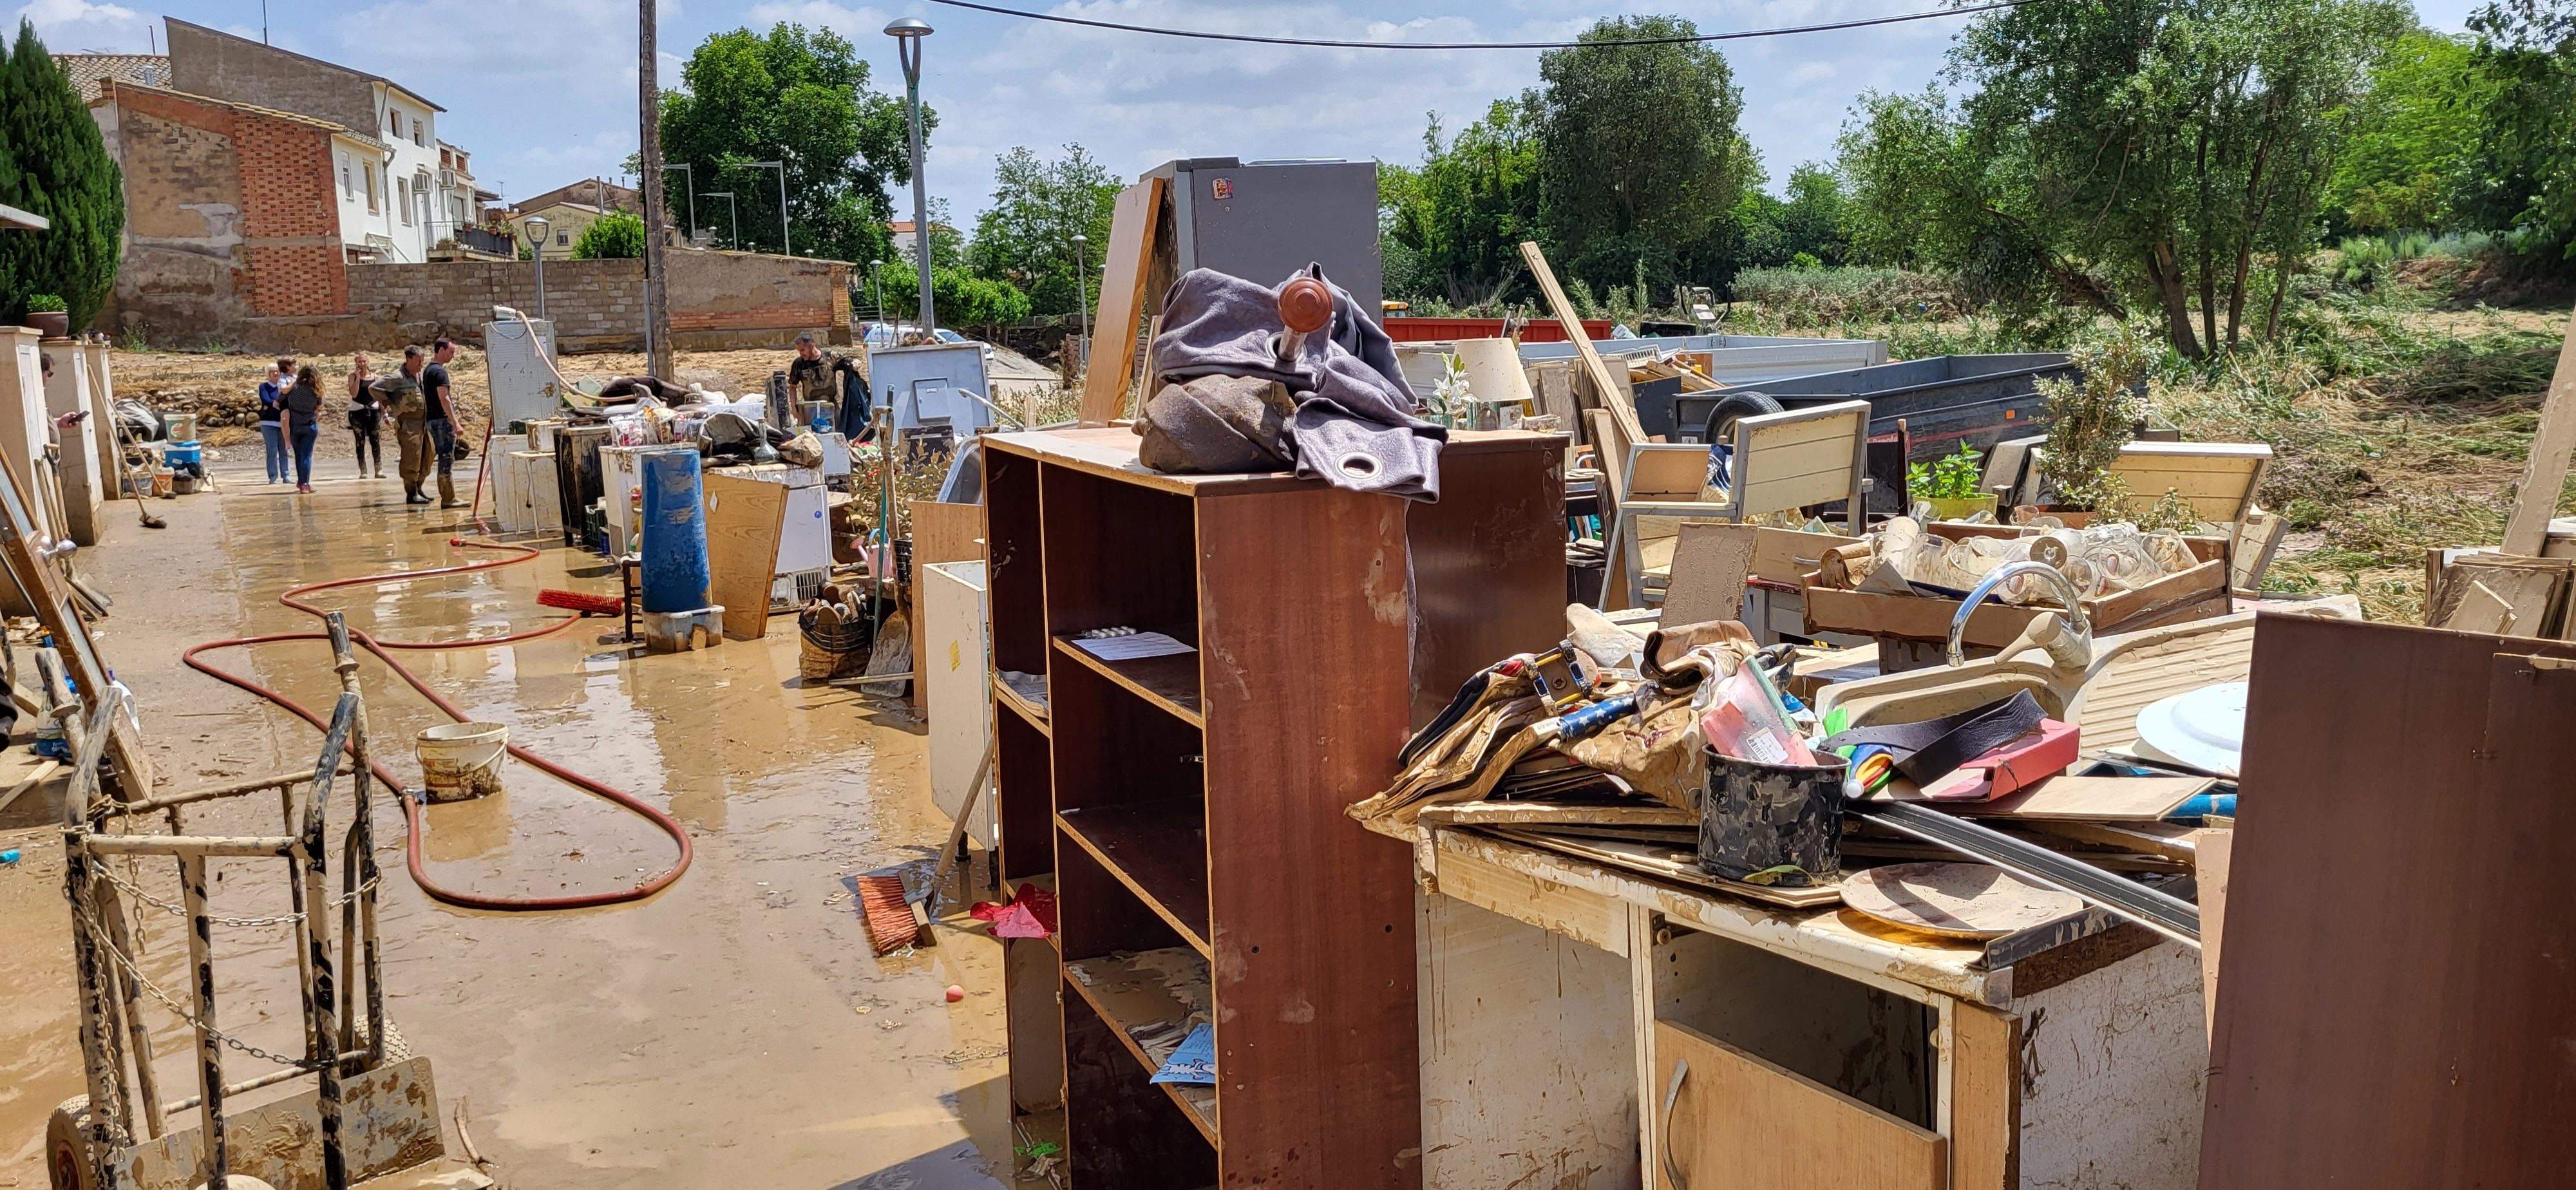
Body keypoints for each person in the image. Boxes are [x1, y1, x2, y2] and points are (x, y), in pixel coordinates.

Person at [786, 332, 873, 442]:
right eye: (799, 351)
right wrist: (794, 409)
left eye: (803, 350)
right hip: (810, 409)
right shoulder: (799, 364)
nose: (801, 353)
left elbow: (850, 362)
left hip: (832, 407)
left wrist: (855, 364)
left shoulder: (830, 358)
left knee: (836, 438)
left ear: (812, 346)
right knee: (812, 441)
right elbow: (792, 387)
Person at [422, 338, 462, 509]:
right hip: (441, 420)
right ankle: (448, 498)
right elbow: (444, 398)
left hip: (433, 420)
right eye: (451, 352)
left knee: (443, 458)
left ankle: (449, 497)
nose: (453, 355)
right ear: (441, 350)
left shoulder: (428, 370)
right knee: (446, 459)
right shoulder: (439, 372)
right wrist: (455, 422)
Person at [390, 346, 431, 505]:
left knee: (428, 455)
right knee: (411, 458)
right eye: (418, 360)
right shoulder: (397, 377)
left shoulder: (420, 375)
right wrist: (393, 404)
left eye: (423, 360)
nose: (421, 363)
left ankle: (419, 488)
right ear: (409, 359)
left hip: (424, 423)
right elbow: (375, 389)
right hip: (408, 424)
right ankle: (411, 493)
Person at [284, 364, 324, 492]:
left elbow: (282, 397)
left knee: (298, 455)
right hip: (309, 425)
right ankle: (305, 484)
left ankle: (301, 482)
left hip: (294, 426)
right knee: (306, 456)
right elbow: (319, 408)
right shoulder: (316, 389)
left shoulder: (293, 388)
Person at [346, 353, 383, 478]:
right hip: (357, 412)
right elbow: (354, 394)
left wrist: (385, 414)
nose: (362, 364)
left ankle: (378, 469)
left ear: (368, 362)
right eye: (359, 362)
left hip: (373, 411)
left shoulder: (376, 378)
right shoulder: (352, 377)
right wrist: (358, 378)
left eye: (364, 361)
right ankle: (363, 470)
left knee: (375, 439)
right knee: (360, 441)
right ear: (356, 363)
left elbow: (380, 397)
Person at [256, 357, 293, 484]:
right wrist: (278, 404)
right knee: (272, 450)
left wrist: (275, 404)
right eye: (273, 372)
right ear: (269, 374)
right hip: (268, 423)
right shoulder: (264, 386)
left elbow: (287, 401)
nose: (276, 373)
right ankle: (273, 476)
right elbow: (266, 401)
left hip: (283, 422)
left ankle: (286, 475)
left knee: (284, 449)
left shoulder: (284, 386)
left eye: (277, 371)